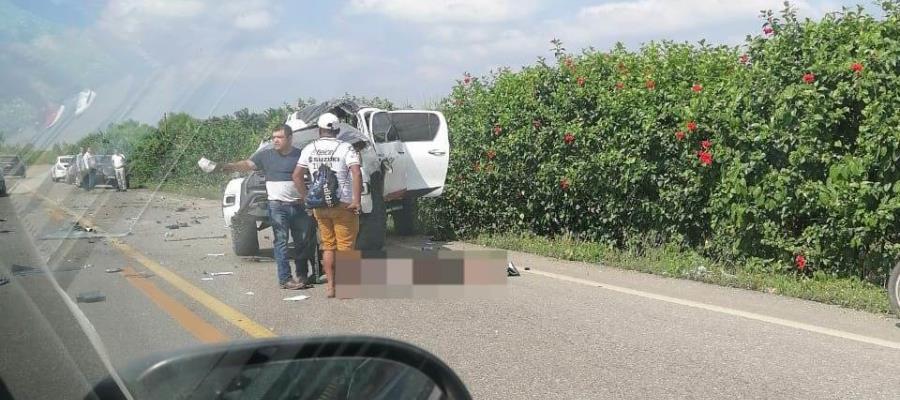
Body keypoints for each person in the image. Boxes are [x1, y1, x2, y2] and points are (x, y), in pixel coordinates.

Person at [199, 124, 314, 290]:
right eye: (274, 137)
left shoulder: (301, 155)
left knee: (302, 242)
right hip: (277, 206)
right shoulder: (265, 155)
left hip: (298, 205)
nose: (275, 140)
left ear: (289, 138)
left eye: (279, 137)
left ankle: (302, 276)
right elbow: (246, 165)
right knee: (281, 242)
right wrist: (224, 166)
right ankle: (285, 279)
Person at [292, 113, 362, 298]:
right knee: (346, 247)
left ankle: (331, 287)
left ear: (319, 130)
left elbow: (296, 175)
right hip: (343, 204)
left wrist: (307, 198)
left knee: (328, 246)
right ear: (337, 130)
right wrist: (356, 201)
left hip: (320, 207)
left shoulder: (309, 148)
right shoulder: (346, 147)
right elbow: (356, 173)